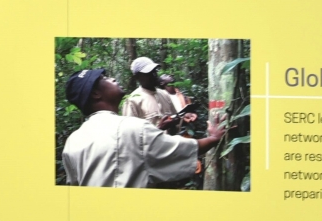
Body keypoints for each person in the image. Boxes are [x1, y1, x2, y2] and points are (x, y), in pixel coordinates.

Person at [61, 68, 225, 188]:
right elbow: (183, 150)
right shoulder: (131, 127)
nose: (112, 79)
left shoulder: (73, 141)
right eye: (105, 78)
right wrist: (214, 138)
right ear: (96, 94)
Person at [123, 56, 178, 126]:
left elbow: (175, 120)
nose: (154, 75)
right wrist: (159, 129)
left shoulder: (165, 95)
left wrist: (183, 118)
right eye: (148, 73)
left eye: (154, 71)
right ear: (137, 77)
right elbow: (130, 133)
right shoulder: (132, 101)